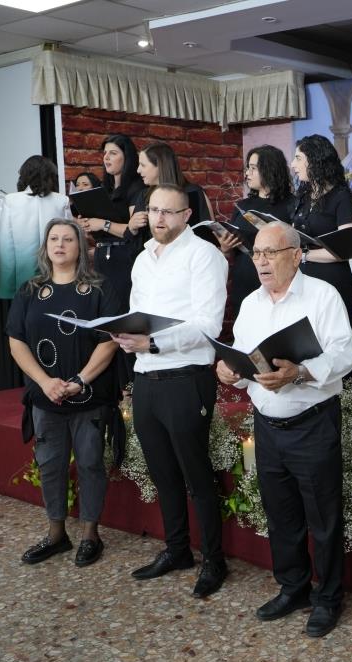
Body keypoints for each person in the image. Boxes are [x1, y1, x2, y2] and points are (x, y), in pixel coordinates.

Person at [216, 222, 352, 638]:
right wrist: (229, 371)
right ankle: (293, 587)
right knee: (281, 515)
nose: (261, 262)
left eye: (270, 253)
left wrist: (300, 372)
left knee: (323, 519)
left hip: (313, 423)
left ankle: (328, 598)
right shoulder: (250, 303)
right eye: (257, 254)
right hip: (267, 424)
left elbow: (345, 354)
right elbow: (244, 359)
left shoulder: (322, 296)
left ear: (296, 256)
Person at [110, 184, 229, 598]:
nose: (159, 218)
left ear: (187, 215)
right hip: (146, 377)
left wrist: (155, 343)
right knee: (162, 473)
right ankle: (177, 550)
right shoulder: (143, 258)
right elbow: (138, 314)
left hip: (185, 377)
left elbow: (208, 325)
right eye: (154, 210)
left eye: (169, 212)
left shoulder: (204, 255)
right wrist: (127, 335)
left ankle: (214, 560)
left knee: (196, 474)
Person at [7, 218, 119, 567]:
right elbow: (16, 341)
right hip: (46, 396)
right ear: (45, 247)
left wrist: (80, 380)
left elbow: (109, 341)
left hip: (89, 394)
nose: (59, 245)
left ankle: (90, 535)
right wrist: (45, 382)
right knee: (50, 465)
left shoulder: (100, 288)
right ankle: (56, 534)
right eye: (53, 239)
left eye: (68, 239)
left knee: (90, 463)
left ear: (80, 247)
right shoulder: (29, 290)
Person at [216, 145, 297, 314]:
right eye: (248, 168)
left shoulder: (293, 205)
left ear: (269, 169)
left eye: (253, 168)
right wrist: (225, 248)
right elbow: (230, 252)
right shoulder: (242, 206)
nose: (247, 173)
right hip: (244, 281)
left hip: (280, 284)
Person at [290, 134, 352, 316]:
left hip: (331, 280)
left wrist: (304, 255)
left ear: (315, 160)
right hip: (302, 279)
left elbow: (346, 249)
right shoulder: (303, 196)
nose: (292, 164)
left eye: (298, 158)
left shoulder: (341, 196)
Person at [77, 134, 146, 308]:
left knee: (120, 308)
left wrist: (102, 224)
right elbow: (98, 228)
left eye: (113, 153)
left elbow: (134, 229)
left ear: (127, 157)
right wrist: (87, 224)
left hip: (124, 258)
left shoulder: (136, 188)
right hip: (102, 256)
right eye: (105, 153)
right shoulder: (104, 189)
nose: (106, 157)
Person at [0, 155, 71, 299]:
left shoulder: (11, 200)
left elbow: (6, 247)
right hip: (58, 273)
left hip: (23, 277)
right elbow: (69, 240)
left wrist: (7, 287)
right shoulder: (62, 200)